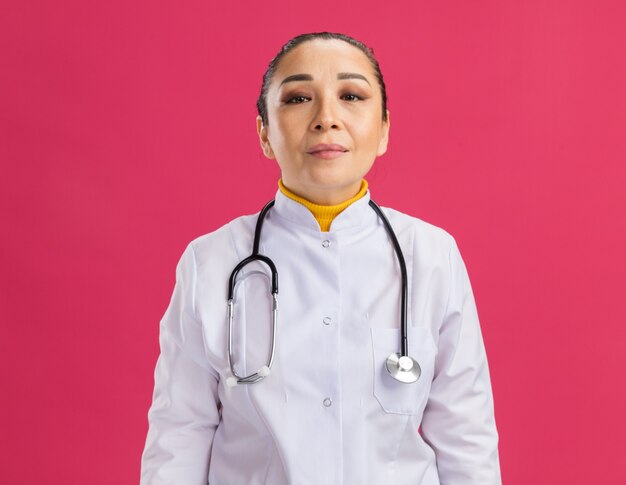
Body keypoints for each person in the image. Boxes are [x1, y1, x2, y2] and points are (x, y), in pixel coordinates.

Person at [140, 32, 501, 485]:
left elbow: (468, 443)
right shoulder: (211, 262)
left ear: (384, 128)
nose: (326, 118)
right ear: (265, 133)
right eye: (297, 98)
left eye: (351, 95)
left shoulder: (431, 257)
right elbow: (179, 439)